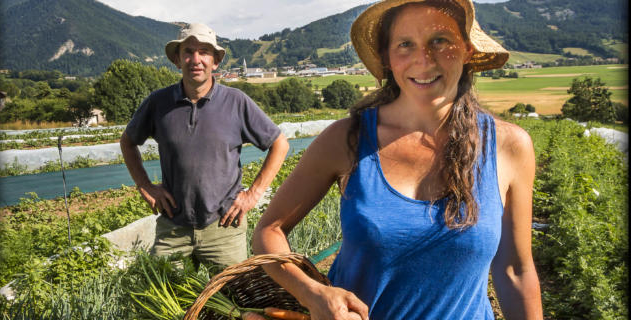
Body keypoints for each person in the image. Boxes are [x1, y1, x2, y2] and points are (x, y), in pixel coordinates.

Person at [252, 0, 543, 319]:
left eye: (440, 41)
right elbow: (268, 229)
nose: (423, 59)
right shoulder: (346, 139)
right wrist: (312, 292)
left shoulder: (508, 146)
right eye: (406, 44)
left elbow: (516, 269)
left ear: (467, 49)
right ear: (387, 59)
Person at [121, 23, 289, 268]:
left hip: (224, 228)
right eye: (188, 51)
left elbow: (279, 144)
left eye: (204, 52)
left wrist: (252, 195)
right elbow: (128, 142)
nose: (195, 59)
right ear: (177, 60)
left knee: (234, 301)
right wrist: (145, 186)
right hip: (173, 228)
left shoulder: (236, 102)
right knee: (161, 296)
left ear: (215, 61)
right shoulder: (159, 103)